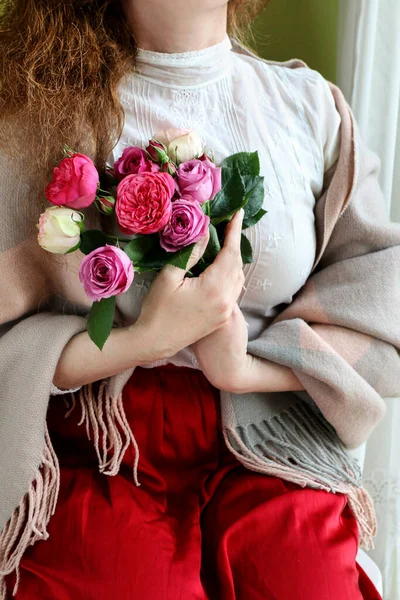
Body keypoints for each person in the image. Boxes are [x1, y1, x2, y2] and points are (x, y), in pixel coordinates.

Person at [0, 0, 394, 598]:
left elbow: (380, 303)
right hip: (98, 439)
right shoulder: (33, 117)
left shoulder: (312, 108)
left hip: (270, 436)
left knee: (301, 574)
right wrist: (141, 341)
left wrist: (246, 366)